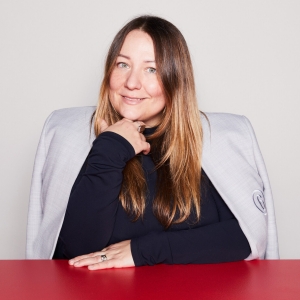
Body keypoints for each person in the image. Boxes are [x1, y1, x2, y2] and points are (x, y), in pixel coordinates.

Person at [26, 15, 279, 269]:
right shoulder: (70, 134)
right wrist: (110, 148)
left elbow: (246, 238)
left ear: (175, 78)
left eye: (151, 69)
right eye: (122, 65)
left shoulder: (221, 139)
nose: (131, 83)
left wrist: (142, 251)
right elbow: (74, 253)